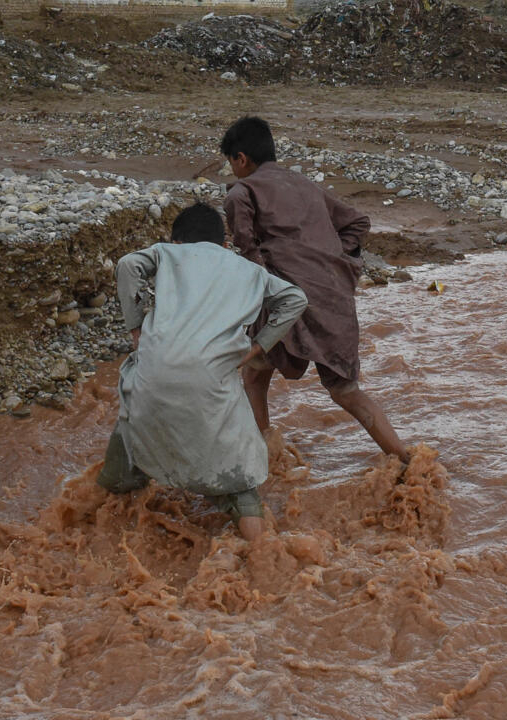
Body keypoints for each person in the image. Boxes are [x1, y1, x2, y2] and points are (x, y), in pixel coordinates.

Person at [97, 202, 308, 542]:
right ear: (223, 244)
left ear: (177, 241)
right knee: (238, 476)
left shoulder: (167, 253)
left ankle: (100, 525)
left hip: (154, 368)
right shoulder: (248, 270)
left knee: (132, 423)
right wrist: (260, 346)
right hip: (213, 374)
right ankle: (261, 556)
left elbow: (127, 264)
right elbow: (295, 299)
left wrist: (135, 328)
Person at [220, 116, 410, 465]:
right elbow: (358, 223)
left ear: (241, 159)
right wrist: (335, 261)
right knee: (346, 391)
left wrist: (277, 280)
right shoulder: (304, 184)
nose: (231, 170)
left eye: (230, 162)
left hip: (287, 301)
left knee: (254, 372)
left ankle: (265, 454)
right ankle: (406, 461)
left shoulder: (241, 192)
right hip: (335, 299)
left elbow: (249, 257)